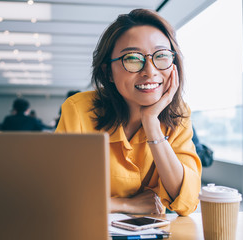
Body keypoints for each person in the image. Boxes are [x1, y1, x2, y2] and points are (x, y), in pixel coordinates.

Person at [56, 9, 201, 216]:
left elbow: (186, 203)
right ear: (108, 73)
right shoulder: (79, 110)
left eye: (161, 56)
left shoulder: (179, 116)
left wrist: (151, 122)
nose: (150, 71)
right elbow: (59, 197)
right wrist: (126, 205)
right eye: (132, 59)